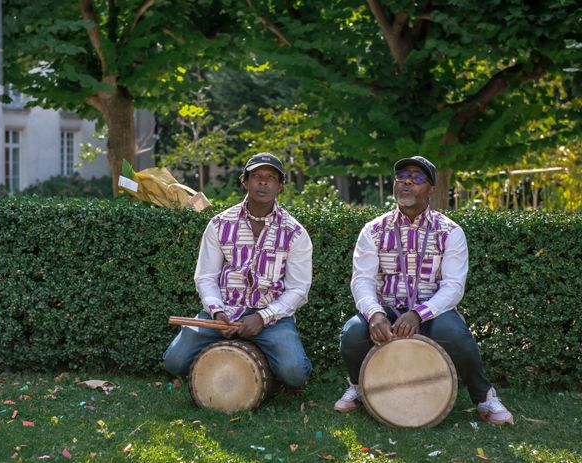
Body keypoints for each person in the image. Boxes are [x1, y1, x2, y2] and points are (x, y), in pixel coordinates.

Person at [334, 156, 513, 425]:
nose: (407, 181)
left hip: (433, 314)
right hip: (388, 312)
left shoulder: (450, 231)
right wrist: (374, 314)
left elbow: (453, 287)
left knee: (453, 332)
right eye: (401, 176)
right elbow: (362, 281)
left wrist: (419, 314)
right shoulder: (373, 230)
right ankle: (359, 388)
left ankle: (484, 396)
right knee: (352, 333)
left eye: (417, 178)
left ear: (431, 189)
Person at [163, 153, 313, 391]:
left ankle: (265, 367)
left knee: (295, 374)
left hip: (271, 317)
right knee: (173, 361)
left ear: (280, 186)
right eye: (256, 176)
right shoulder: (220, 224)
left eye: (270, 178)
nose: (263, 182)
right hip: (225, 313)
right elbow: (206, 277)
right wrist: (217, 312)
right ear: (245, 181)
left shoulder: (295, 232)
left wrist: (262, 317)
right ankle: (219, 361)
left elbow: (298, 289)